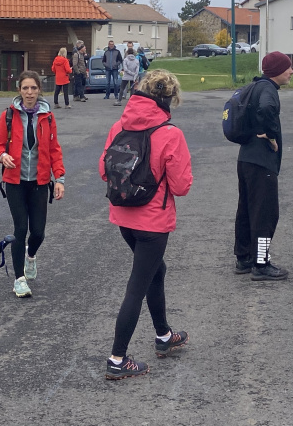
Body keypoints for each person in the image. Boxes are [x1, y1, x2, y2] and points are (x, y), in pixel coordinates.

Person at [99, 69, 193, 380]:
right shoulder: (170, 134)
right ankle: (117, 357)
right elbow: (181, 186)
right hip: (153, 220)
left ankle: (164, 336)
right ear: (169, 98)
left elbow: (104, 170)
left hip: (124, 215)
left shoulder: (119, 126)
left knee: (157, 271)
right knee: (137, 286)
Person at [0, 71, 65, 298]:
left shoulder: (48, 117)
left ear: (39, 90)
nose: (29, 93)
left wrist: (59, 178)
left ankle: (30, 256)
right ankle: (19, 279)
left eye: (33, 88)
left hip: (40, 181)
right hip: (14, 181)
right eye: (25, 88)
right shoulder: (8, 115)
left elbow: (54, 150)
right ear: (19, 90)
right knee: (20, 229)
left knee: (39, 233)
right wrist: (2, 156)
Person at [233, 51, 293, 280]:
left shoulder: (255, 86)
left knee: (246, 210)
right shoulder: (268, 90)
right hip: (261, 162)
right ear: (278, 70)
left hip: (246, 158)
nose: (291, 71)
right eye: (288, 67)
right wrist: (269, 135)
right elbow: (267, 109)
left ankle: (244, 258)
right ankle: (261, 262)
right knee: (265, 214)